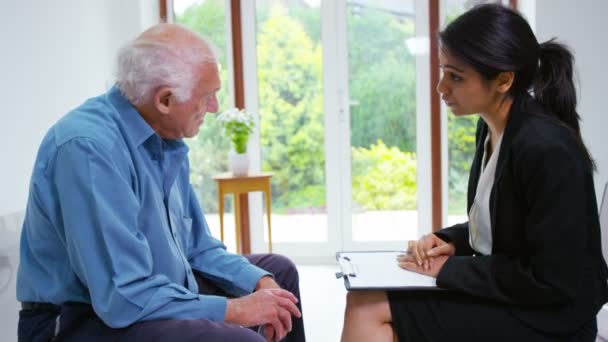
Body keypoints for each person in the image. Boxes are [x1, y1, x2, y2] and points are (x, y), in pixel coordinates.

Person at [16, 23, 305, 342]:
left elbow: (198, 247)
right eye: (208, 96)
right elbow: (123, 296)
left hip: (146, 289)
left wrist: (260, 284)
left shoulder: (163, 137)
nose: (214, 107)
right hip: (77, 318)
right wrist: (235, 309)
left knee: (279, 277)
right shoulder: (88, 148)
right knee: (239, 340)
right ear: (165, 100)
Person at [340, 4, 608, 342]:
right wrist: (450, 242)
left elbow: (552, 277)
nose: (441, 88)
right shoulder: (493, 130)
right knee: (363, 300)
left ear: (504, 80)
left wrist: (449, 271)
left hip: (553, 316)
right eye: (442, 72)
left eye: (455, 76)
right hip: (518, 297)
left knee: (368, 310)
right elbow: (507, 224)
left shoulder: (547, 149)